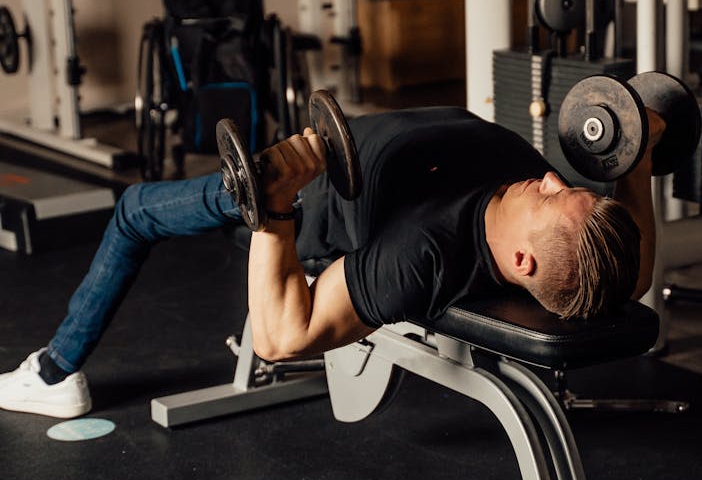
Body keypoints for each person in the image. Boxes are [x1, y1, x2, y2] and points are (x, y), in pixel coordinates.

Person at [0, 104, 661, 420]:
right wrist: (640, 156)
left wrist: (276, 203)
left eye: (557, 196)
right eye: (571, 186)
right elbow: (634, 273)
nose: (552, 178)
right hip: (355, 141)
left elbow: (281, 336)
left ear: (520, 258)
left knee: (135, 209)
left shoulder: (421, 256)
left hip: (309, 192)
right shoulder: (584, 247)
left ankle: (55, 373)